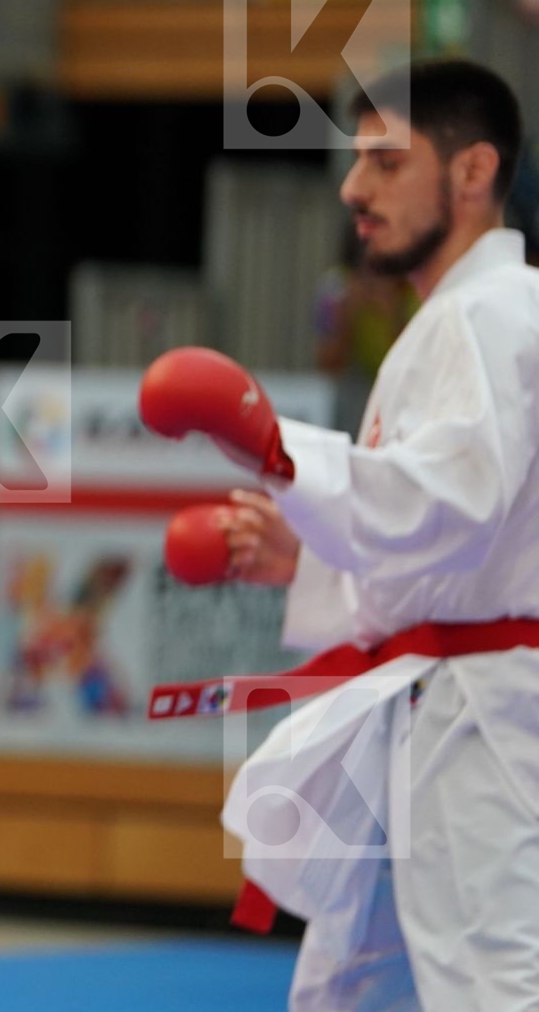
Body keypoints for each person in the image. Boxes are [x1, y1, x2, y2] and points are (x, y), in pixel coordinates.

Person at [139, 59, 539, 1010]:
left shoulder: (491, 313)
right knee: (353, 985)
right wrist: (309, 558)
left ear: (473, 171)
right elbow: (464, 540)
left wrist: (277, 449)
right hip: (441, 701)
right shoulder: (463, 316)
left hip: (485, 719)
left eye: (387, 163)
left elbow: (454, 500)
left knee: (492, 983)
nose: (355, 190)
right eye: (356, 163)